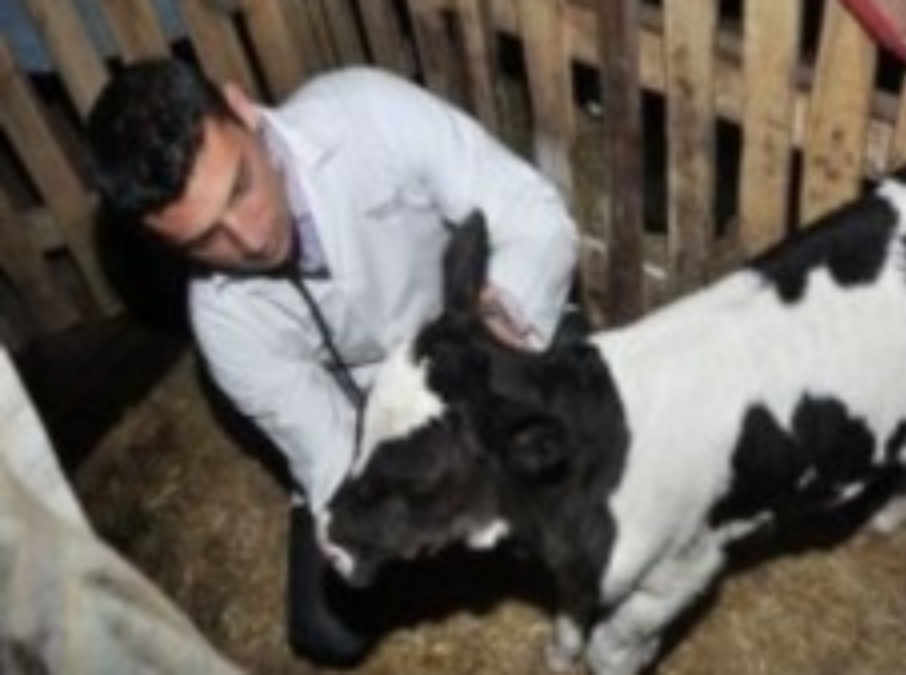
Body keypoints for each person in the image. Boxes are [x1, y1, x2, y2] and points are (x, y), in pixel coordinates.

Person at [85, 58, 579, 667]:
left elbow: (534, 213)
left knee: (580, 441)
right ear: (168, 245)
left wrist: (497, 330)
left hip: (479, 346)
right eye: (205, 238)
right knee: (326, 627)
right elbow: (331, 454)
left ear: (242, 109)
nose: (250, 239)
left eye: (240, 186)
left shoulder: (367, 113)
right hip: (377, 435)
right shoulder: (223, 325)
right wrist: (423, 496)